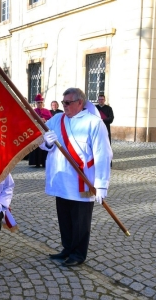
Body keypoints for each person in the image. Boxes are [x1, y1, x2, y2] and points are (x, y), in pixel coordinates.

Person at [40, 88, 112, 267]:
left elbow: (103, 154)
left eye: (68, 103)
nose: (64, 106)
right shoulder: (57, 119)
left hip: (82, 181)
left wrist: (101, 185)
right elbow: (41, 142)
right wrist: (46, 141)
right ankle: (67, 248)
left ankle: (79, 253)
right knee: (64, 218)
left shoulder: (94, 123)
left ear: (80, 103)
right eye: (63, 102)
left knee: (80, 221)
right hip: (61, 179)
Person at [28, 94, 52, 168]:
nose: (40, 104)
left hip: (44, 131)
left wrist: (45, 120)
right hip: (36, 131)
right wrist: (37, 120)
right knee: (37, 146)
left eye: (41, 102)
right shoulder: (33, 111)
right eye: (38, 103)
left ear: (43, 103)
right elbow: (29, 120)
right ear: (36, 103)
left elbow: (51, 120)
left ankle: (44, 162)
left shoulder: (47, 111)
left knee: (44, 145)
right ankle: (36, 162)